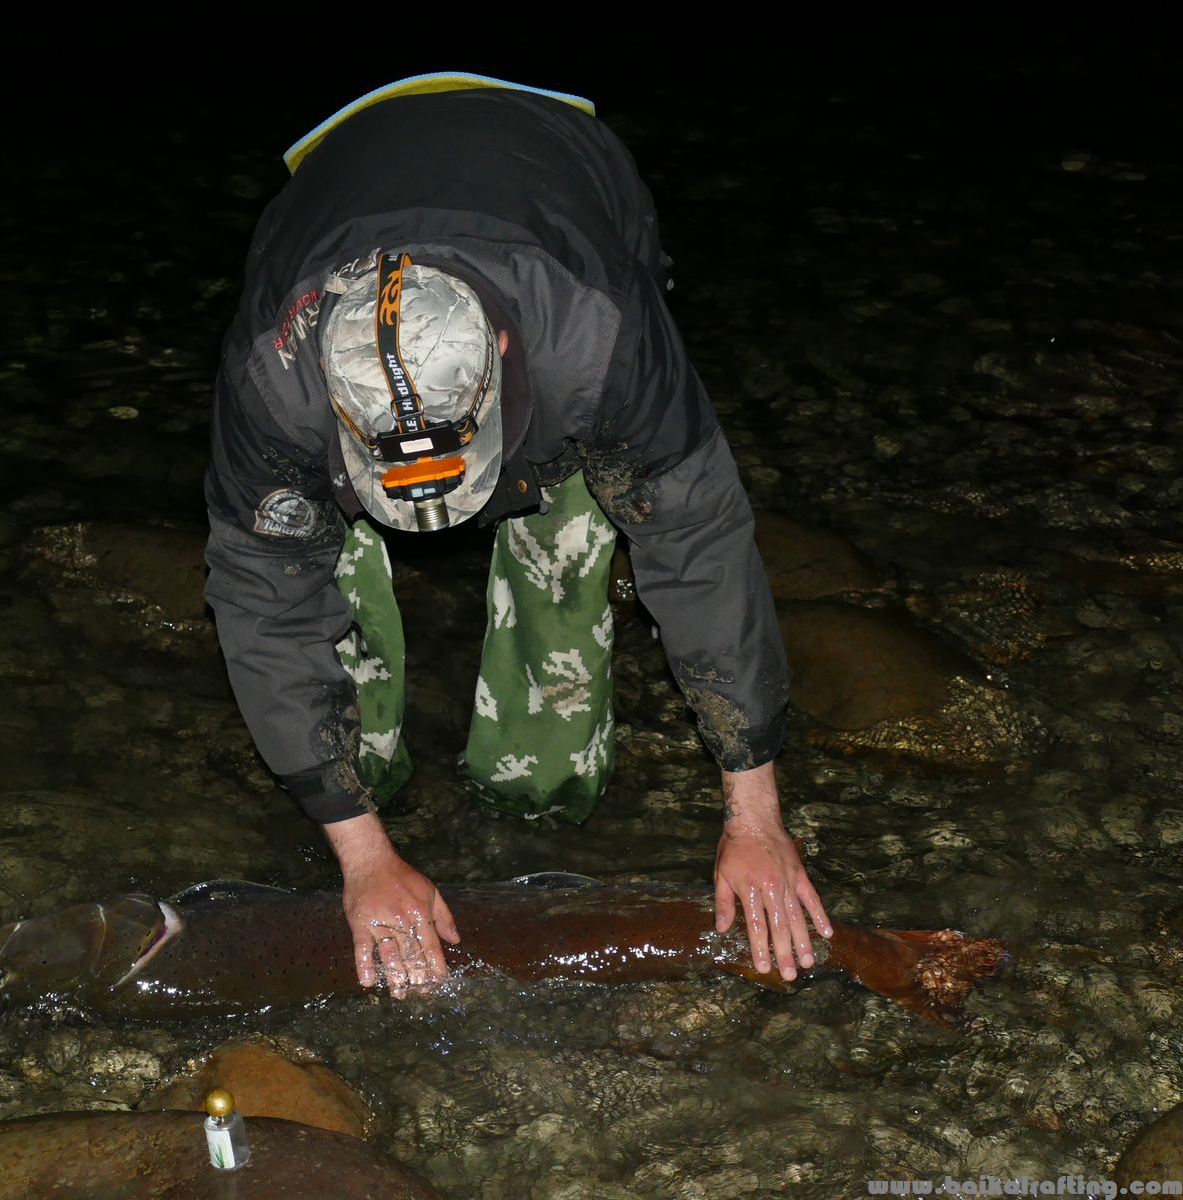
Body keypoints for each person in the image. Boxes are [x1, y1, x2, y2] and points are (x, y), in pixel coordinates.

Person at [202, 73, 832, 1002]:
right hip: (334, 171)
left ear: (500, 352)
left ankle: (534, 785)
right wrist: (362, 855)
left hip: (561, 168)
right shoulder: (274, 380)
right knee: (308, 571)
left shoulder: (601, 335)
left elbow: (700, 549)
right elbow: (263, 607)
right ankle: (360, 791)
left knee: (576, 525)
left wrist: (757, 812)